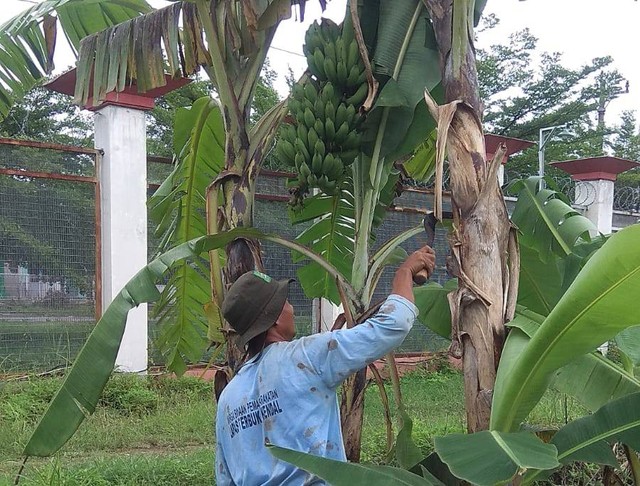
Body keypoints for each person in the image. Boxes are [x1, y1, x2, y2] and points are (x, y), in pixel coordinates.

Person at [215, 246, 436, 485]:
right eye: (286, 301)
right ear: (276, 318)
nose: (292, 307)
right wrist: (404, 273)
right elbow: (394, 324)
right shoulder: (303, 357)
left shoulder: (228, 398)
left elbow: (225, 477)